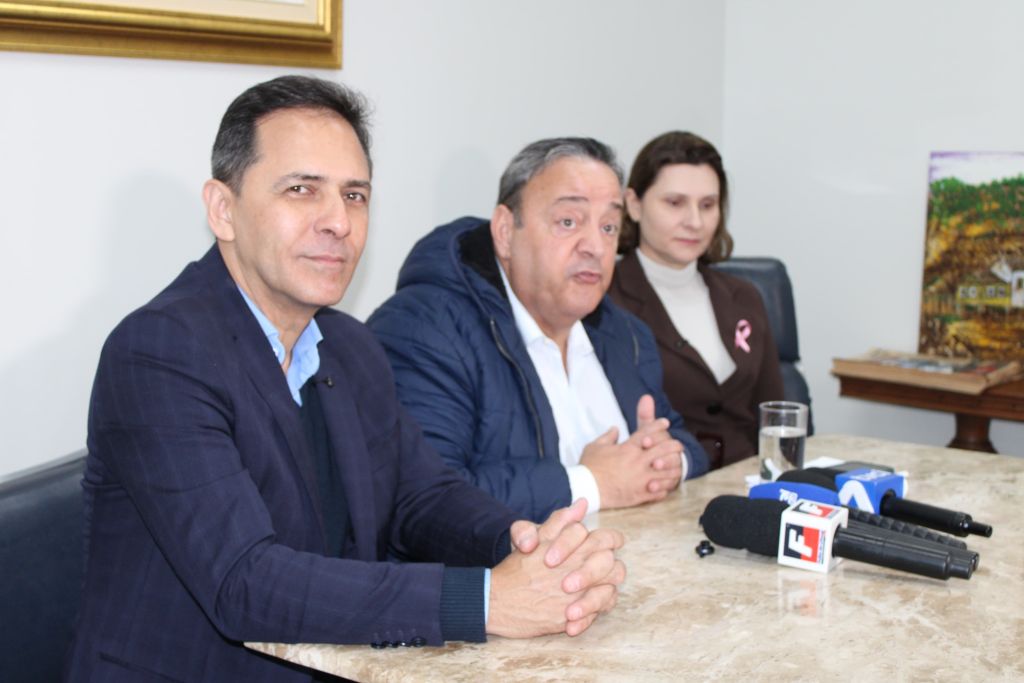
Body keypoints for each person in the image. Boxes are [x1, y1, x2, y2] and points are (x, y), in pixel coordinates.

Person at [66, 77, 625, 682]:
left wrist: (525, 547)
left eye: (355, 196)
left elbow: (422, 498)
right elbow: (244, 581)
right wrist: (485, 601)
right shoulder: (158, 353)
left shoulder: (349, 345)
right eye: (302, 190)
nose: (338, 221)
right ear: (223, 209)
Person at [367, 138, 708, 523]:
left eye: (609, 226)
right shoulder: (425, 329)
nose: (595, 246)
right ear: (504, 232)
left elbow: (685, 442)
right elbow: (424, 500)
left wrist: (668, 461)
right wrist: (591, 483)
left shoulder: (624, 333)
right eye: (568, 222)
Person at [607, 131, 785, 470]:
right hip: (659, 489)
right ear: (633, 204)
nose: (695, 221)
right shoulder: (605, 300)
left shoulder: (744, 297)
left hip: (749, 491)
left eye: (708, 205)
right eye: (675, 203)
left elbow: (775, 416)